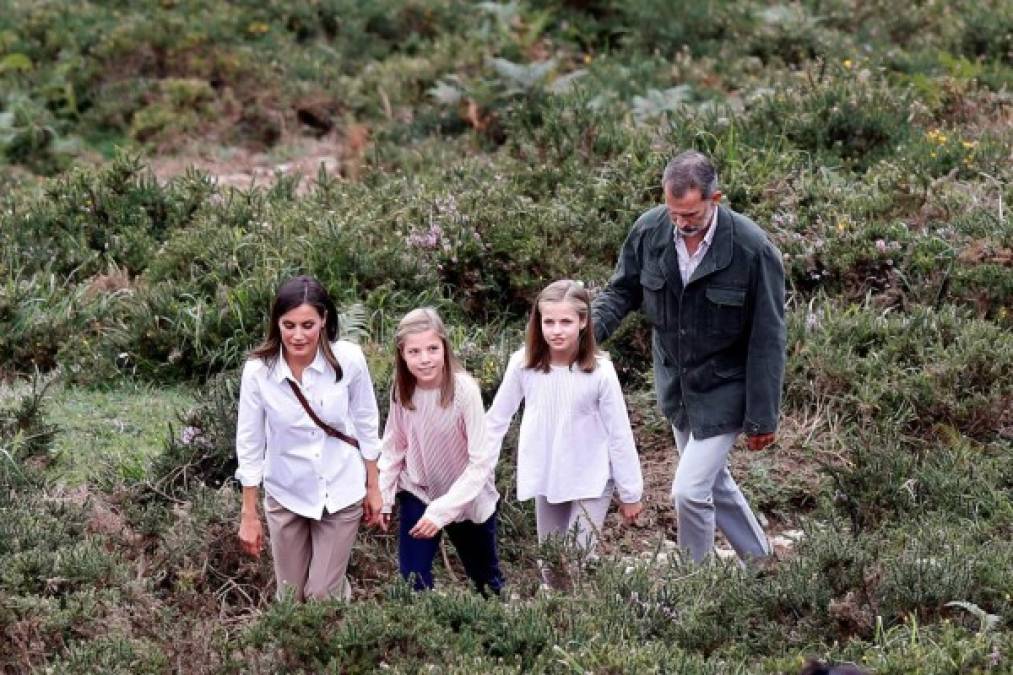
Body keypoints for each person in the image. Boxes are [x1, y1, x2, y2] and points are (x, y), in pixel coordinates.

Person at [591, 149, 786, 564]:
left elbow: (768, 336)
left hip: (727, 387)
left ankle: (693, 584)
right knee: (714, 483)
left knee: (689, 491)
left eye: (691, 215)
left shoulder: (754, 250)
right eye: (673, 213)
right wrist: (584, 335)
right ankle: (763, 563)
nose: (681, 223)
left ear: (716, 200)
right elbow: (621, 290)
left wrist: (762, 417)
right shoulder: (648, 231)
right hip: (678, 388)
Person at [485, 280, 644, 587]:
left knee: (577, 558)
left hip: (592, 477)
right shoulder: (523, 364)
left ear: (583, 322)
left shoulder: (600, 371)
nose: (557, 330)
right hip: (549, 474)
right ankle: (559, 626)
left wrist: (630, 492)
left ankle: (592, 619)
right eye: (549, 322)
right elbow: (496, 420)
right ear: (538, 322)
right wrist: (481, 471)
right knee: (550, 563)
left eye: (566, 322)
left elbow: (619, 433)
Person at [235, 275, 382, 601]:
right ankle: (301, 649)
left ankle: (341, 640)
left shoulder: (349, 359)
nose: (298, 335)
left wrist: (374, 486)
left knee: (321, 596)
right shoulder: (259, 372)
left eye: (307, 325)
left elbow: (366, 420)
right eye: (289, 325)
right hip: (286, 493)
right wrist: (249, 514)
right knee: (290, 597)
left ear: (324, 321)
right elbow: (250, 443)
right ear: (276, 323)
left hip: (341, 491)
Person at [375, 308, 505, 595]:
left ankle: (494, 631)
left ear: (445, 348)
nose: (424, 359)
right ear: (402, 354)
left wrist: (443, 511)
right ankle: (426, 633)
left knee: (484, 581)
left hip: (467, 499)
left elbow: (481, 462)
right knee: (413, 579)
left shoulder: (464, 391)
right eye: (415, 351)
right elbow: (394, 444)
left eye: (432, 349)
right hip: (420, 490)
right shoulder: (403, 388)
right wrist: (384, 497)